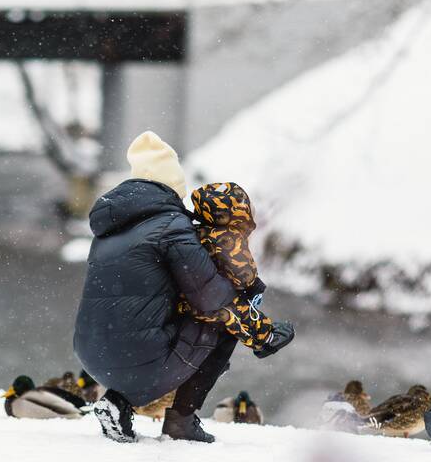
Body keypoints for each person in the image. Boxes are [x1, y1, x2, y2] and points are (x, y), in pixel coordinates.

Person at [73, 131, 292, 444]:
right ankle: (181, 421)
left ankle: (118, 401)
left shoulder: (110, 228)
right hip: (138, 359)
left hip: (90, 353)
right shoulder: (172, 228)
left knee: (145, 321)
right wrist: (264, 334)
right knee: (224, 320)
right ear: (172, 185)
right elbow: (214, 299)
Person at [177, 181, 292, 355]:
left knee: (224, 302)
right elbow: (245, 277)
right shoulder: (231, 240)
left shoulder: (199, 230)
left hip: (187, 295)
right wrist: (253, 287)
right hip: (202, 302)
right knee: (234, 310)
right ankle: (265, 339)